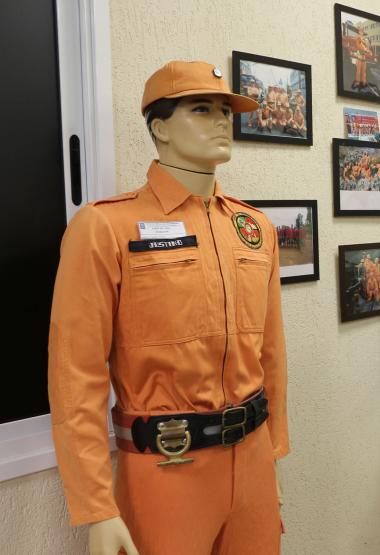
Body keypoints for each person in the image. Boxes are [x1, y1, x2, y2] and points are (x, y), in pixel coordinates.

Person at [48, 60, 289, 555]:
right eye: (202, 108)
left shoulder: (253, 227)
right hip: (165, 472)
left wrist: (272, 453)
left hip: (253, 467)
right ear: (159, 126)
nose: (222, 121)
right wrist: (97, 505)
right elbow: (76, 375)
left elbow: (271, 351)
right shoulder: (106, 228)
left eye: (225, 109)